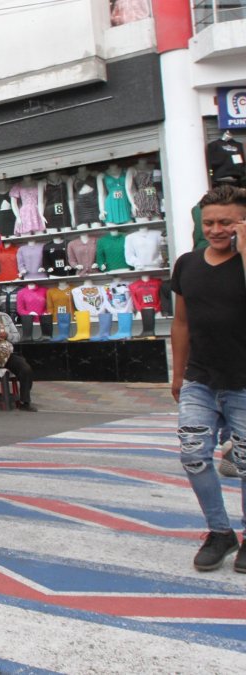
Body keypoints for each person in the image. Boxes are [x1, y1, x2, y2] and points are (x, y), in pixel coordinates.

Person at [170, 185, 246, 572]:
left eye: (226, 222)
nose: (217, 230)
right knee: (193, 456)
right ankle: (220, 532)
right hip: (200, 380)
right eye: (209, 223)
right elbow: (181, 322)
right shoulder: (186, 264)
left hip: (243, 382)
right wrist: (178, 373)